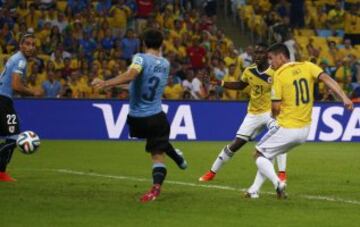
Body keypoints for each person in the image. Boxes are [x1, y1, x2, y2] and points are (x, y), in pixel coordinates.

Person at [92, 29, 187, 203]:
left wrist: (106, 83)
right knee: (158, 151)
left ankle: (179, 159)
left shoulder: (140, 58)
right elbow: (135, 83)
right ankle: (157, 185)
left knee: (157, 141)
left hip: (136, 120)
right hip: (156, 116)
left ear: (143, 43)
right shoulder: (165, 64)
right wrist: (110, 85)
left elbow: (131, 76)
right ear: (161, 44)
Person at [248, 43, 353, 199]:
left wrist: (273, 117)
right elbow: (327, 79)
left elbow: (276, 107)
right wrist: (344, 97)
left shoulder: (279, 75)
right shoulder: (308, 66)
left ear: (281, 56)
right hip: (304, 131)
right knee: (268, 154)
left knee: (258, 154)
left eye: (271, 58)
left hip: (287, 127)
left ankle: (278, 183)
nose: (270, 63)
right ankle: (253, 190)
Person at [199, 44, 287, 193]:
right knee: (236, 144)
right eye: (255, 52)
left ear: (266, 55)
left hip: (269, 112)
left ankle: (282, 174)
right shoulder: (249, 71)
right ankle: (212, 172)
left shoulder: (276, 71)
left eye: (260, 52)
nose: (257, 55)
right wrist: (218, 82)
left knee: (279, 134)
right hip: (253, 114)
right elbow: (241, 85)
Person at [0, 34, 43, 181]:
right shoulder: (20, 61)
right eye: (28, 44)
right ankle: (1, 173)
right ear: (21, 45)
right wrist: (33, 92)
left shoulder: (16, 58)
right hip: (3, 101)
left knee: (11, 135)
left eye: (33, 44)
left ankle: (1, 173)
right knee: (14, 137)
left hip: (3, 99)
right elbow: (16, 85)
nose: (31, 47)